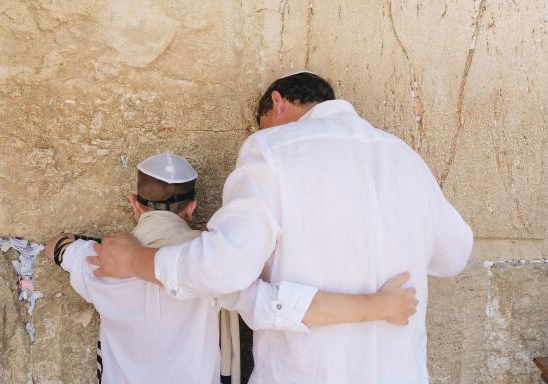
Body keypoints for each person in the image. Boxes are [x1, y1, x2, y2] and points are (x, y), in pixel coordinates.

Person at [88, 71, 474, 383]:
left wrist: (135, 260)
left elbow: (222, 268)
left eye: (263, 123)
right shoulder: (403, 155)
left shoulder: (272, 149)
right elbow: (454, 256)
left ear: (277, 103)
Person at [47, 152, 418, 384]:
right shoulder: (212, 266)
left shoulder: (97, 260)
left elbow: (59, 248)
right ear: (192, 208)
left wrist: (72, 244)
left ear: (134, 203)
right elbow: (279, 306)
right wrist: (377, 306)